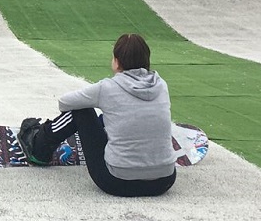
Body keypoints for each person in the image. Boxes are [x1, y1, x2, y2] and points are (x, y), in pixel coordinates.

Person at [17, 33, 176, 197]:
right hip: (164, 181)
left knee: (81, 110)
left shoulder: (108, 87)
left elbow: (64, 103)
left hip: (118, 181)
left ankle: (38, 147)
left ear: (116, 61)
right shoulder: (161, 85)